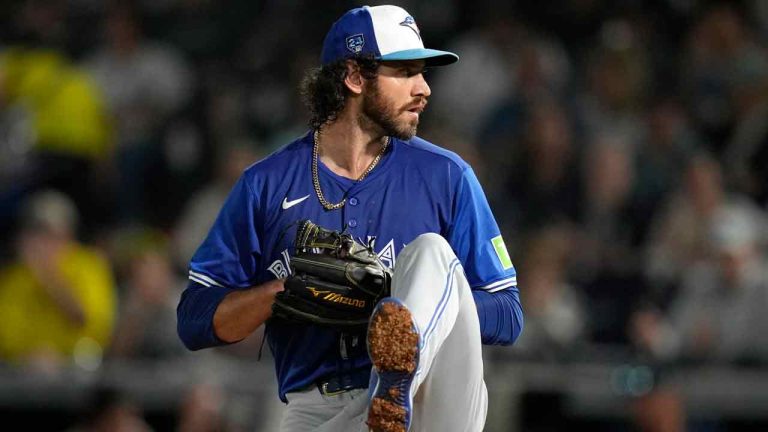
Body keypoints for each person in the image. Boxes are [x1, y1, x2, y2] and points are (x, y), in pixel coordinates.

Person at [176, 5, 523, 432]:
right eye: (406, 71)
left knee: (431, 254)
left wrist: (388, 298)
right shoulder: (266, 184)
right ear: (355, 77)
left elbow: (508, 314)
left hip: (431, 399)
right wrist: (283, 293)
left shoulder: (447, 176)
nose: (425, 88)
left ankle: (395, 380)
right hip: (318, 410)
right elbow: (194, 318)